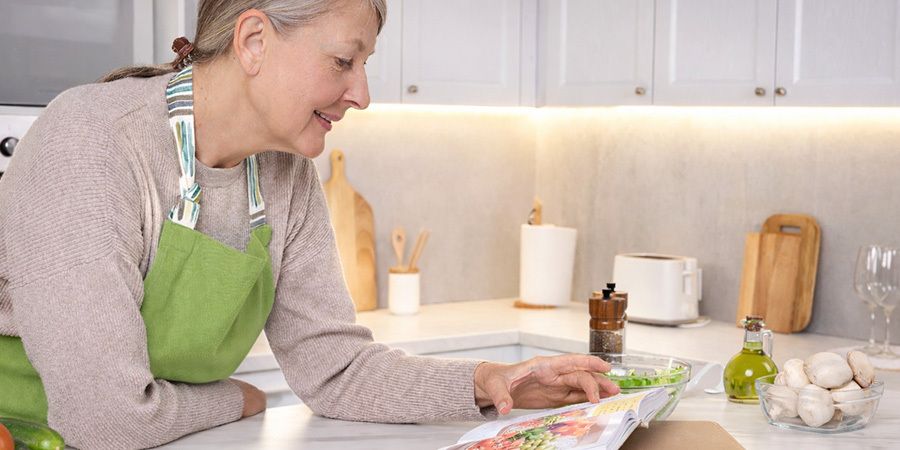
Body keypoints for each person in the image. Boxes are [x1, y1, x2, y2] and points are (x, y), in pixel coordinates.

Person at [0, 1, 619, 448]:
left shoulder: (283, 174)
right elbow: (105, 420)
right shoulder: (90, 145)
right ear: (254, 42)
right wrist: (233, 398)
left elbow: (335, 368)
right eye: (344, 61)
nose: (363, 94)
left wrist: (490, 384)